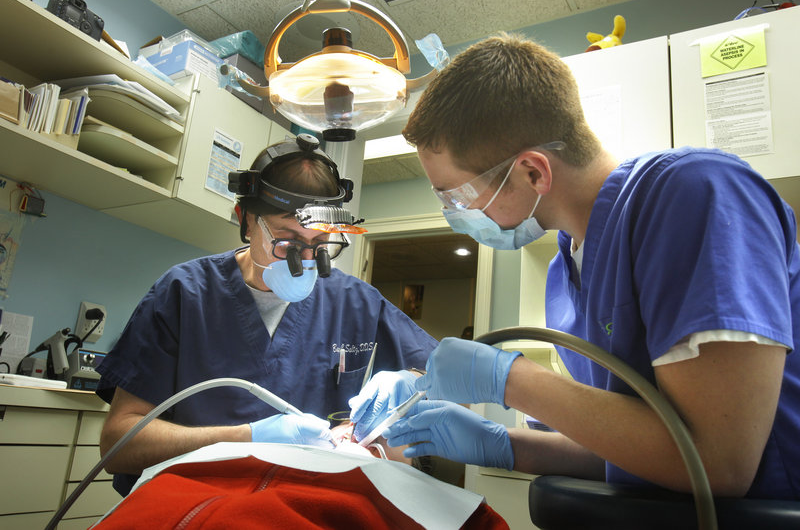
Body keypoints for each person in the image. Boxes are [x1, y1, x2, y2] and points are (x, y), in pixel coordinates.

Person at [384, 33, 800, 500]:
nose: (455, 214)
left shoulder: (695, 194)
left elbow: (718, 465)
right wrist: (501, 445)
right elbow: (628, 452)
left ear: (533, 172)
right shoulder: (567, 271)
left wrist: (509, 379)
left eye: (456, 195)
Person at [96, 134, 437, 496]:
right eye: (287, 242)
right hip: (194, 503)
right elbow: (118, 445)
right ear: (245, 220)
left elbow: (436, 375)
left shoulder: (354, 301)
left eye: (321, 246)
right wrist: (247, 438)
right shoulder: (184, 293)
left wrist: (407, 387)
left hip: (303, 507)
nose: (306, 262)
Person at [89, 429, 509, 529]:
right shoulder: (217, 457)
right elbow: (118, 444)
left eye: (376, 434)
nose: (352, 430)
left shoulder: (433, 507)